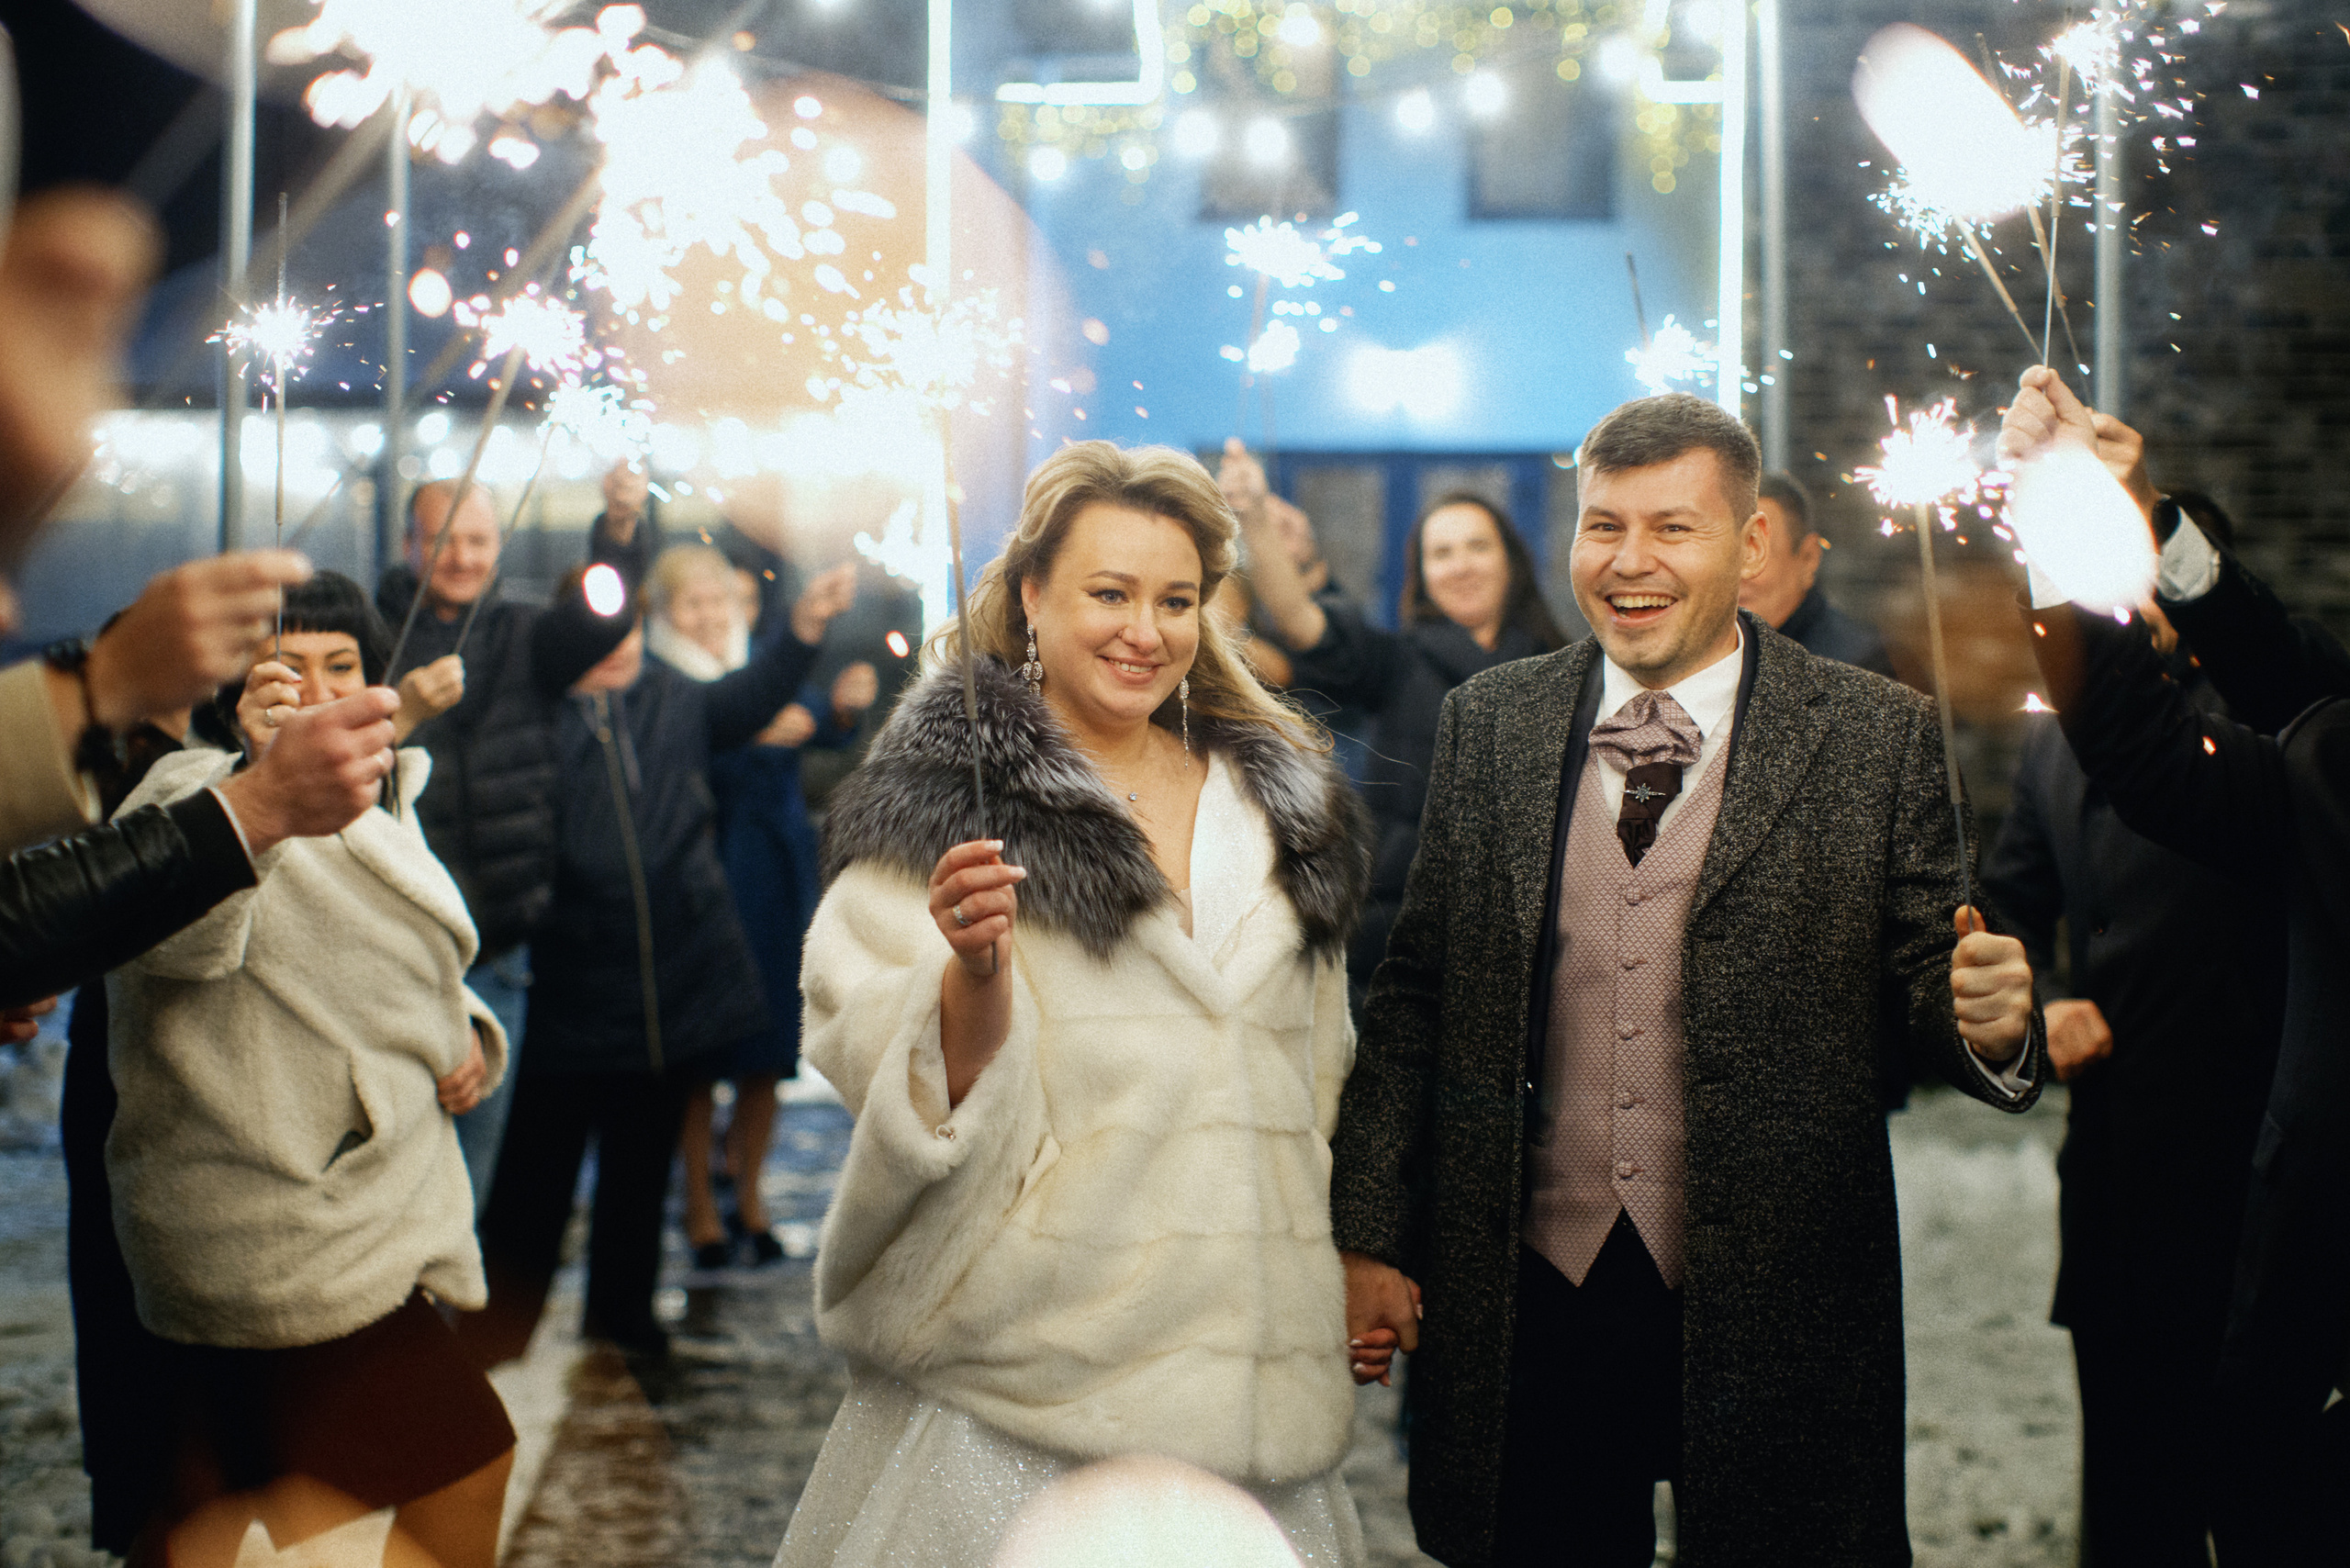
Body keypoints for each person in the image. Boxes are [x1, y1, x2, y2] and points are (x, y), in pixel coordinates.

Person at [1330, 393, 2044, 1568]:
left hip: (1775, 1289)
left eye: (1672, 527)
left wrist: (1988, 1021)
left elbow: (1929, 981)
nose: (1629, 561)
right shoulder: (1491, 723)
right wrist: (1366, 1229)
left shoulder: (1874, 734)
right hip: (1531, 1283)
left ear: (1751, 543)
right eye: (1602, 526)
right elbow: (1417, 996)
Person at [778, 442, 1371, 1567]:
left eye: (1175, 599)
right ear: (1032, 595)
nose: (1142, 631)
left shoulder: (1284, 814)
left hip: (1244, 1388)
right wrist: (971, 976)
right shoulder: (945, 807)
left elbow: (1318, 1079)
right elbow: (885, 1073)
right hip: (1026, 1381)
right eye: (1108, 592)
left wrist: (1348, 1254)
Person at [2001, 364, 2350, 1563]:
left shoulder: (2269, 734)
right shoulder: (2315, 757)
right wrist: (2095, 517)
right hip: (2164, 1187)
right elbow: (2166, 735)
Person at [103, 572, 514, 1568]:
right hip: (279, 1214)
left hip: (345, 1202)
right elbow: (180, 948)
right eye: (286, 669)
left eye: (344, 667)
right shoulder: (186, 791)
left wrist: (464, 1031)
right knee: (465, 1463)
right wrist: (258, 788)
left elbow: (380, 963)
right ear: (238, 692)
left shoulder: (386, 800)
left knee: (214, 1499)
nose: (319, 689)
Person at [1980, 487, 2282, 1565]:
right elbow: (2010, 895)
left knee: (2260, 1484)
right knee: (2128, 1484)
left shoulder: (2265, 731)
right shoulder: (2057, 744)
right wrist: (2043, 998)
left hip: (2249, 1174)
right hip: (2115, 1170)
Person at [464, 557, 856, 1363]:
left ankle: (626, 1327)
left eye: (629, 632)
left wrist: (804, 631)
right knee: (533, 1190)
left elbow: (747, 701)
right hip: (569, 998)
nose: (619, 649)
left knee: (637, 1184)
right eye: (599, 638)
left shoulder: (672, 701)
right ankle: (494, 1342)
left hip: (667, 993)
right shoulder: (533, 715)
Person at [1219, 441, 1568, 1008]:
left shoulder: (1561, 668)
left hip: (1526, 936)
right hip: (1396, 930)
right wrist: (1255, 517)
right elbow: (1303, 623)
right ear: (1423, 574)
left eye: (1477, 547)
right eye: (1442, 552)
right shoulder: (1398, 660)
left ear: (1512, 559)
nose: (1460, 565)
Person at [378, 476, 640, 1204]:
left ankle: (450, 1314)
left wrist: (615, 538)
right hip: (390, 951)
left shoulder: (529, 635)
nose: (461, 557)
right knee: (390, 1175)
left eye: (478, 541)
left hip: (497, 950)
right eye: (442, 540)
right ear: (409, 545)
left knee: (469, 1181)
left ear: (499, 547)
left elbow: (600, 620)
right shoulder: (372, 639)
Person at [642, 543, 876, 1268]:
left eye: (722, 602)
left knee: (768, 1050)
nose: (711, 617)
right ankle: (701, 1205)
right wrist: (755, 729)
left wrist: (843, 708)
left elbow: (814, 717)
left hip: (773, 881)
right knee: (697, 1056)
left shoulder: (758, 671)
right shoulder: (657, 683)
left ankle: (750, 1192)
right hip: (700, 883)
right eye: (694, 605)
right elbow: (708, 740)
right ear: (664, 614)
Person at [1737, 471, 1897, 678]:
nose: (1736, 575)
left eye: (1755, 553)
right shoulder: (1705, 660)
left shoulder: (1857, 671)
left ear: (1808, 558)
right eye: (1723, 556)